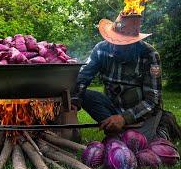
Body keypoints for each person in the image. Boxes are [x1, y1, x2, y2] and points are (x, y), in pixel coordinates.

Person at [72, 11, 181, 141]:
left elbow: (153, 101)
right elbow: (83, 77)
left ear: (134, 41)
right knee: (85, 95)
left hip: (139, 113)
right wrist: (74, 102)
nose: (115, 46)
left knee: (138, 143)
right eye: (113, 39)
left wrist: (124, 118)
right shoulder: (101, 49)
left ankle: (144, 128)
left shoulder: (149, 54)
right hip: (112, 108)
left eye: (122, 42)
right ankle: (114, 127)